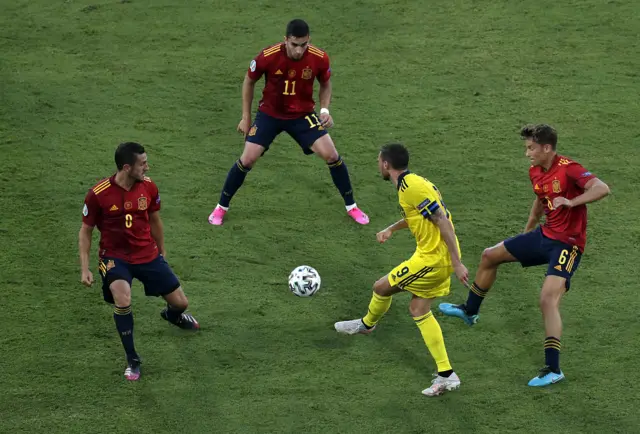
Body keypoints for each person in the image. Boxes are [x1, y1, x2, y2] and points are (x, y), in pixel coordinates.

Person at [439, 124, 610, 387]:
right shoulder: (535, 171)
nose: (527, 153)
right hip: (545, 236)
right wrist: (528, 229)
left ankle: (553, 369)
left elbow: (602, 188)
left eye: (531, 148)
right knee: (489, 256)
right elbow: (540, 199)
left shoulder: (569, 168)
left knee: (547, 299)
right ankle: (469, 310)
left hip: (569, 245)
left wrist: (572, 202)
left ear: (547, 148)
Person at [334, 143, 469, 397]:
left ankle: (366, 324)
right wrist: (391, 229)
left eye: (378, 161)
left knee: (381, 287)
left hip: (432, 260)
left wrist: (456, 261)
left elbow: (442, 221)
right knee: (419, 309)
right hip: (434, 256)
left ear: (386, 164)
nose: (378, 165)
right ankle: (447, 374)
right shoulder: (413, 184)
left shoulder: (411, 188)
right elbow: (418, 216)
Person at [208, 18, 369, 226]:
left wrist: (325, 110)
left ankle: (352, 207)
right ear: (285, 40)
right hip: (270, 114)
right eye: (294, 45)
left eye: (304, 45)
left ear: (308, 40)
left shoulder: (319, 58)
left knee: (332, 154)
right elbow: (249, 81)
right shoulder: (268, 56)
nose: (299, 50)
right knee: (247, 159)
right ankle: (221, 207)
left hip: (302, 115)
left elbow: (325, 83)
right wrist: (246, 117)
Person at [79, 142, 200, 381]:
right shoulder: (98, 193)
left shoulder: (149, 187)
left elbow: (155, 219)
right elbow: (86, 231)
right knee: (122, 299)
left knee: (181, 303)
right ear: (126, 167)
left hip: (147, 254)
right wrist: (85, 268)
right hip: (114, 257)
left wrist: (162, 250)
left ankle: (172, 316)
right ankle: (132, 360)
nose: (147, 167)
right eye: (142, 163)